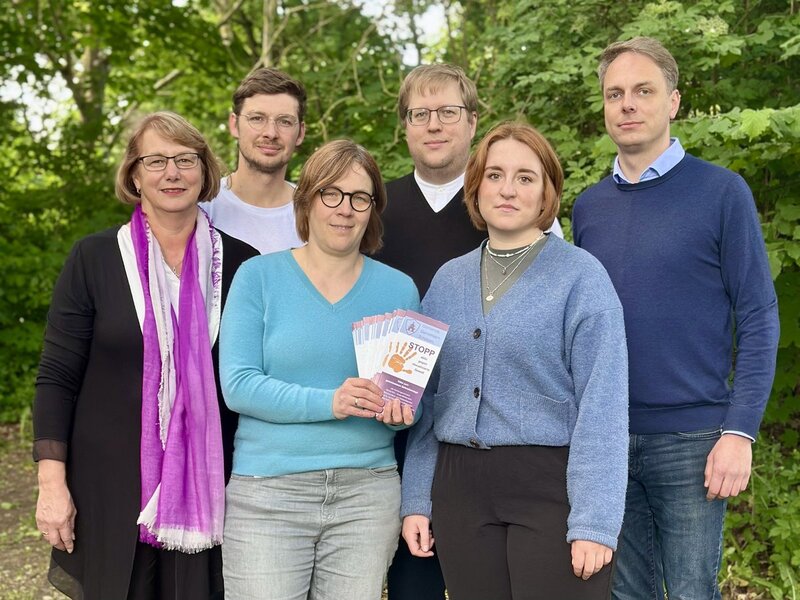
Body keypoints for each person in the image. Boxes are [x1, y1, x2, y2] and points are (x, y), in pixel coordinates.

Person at [572, 37, 780, 600]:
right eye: (615, 93)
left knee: (691, 591)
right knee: (625, 594)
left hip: (693, 441)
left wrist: (740, 431)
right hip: (607, 437)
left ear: (674, 101)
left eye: (643, 91)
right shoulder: (588, 208)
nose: (627, 104)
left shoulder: (721, 192)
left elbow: (759, 315)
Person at [33, 111, 259, 599]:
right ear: (134, 175)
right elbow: (56, 376)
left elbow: (255, 379)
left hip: (212, 485)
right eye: (156, 161)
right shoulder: (93, 258)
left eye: (185, 159)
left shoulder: (245, 264)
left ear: (205, 170)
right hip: (109, 484)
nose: (171, 173)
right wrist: (52, 484)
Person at [401, 121, 629, 600]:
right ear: (476, 185)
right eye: (495, 175)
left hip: (550, 487)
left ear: (547, 193)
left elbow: (603, 406)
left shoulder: (581, 277)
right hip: (459, 490)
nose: (507, 189)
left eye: (525, 178)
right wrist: (417, 497)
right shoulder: (447, 281)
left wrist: (595, 520)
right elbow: (427, 398)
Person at [379, 63, 565, 600]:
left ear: (472, 121)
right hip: (395, 431)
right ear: (405, 125)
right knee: (413, 582)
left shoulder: (511, 206)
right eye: (420, 114)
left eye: (448, 112)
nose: (434, 124)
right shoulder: (374, 207)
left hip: (496, 444)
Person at [219, 139, 421, 599]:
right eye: (331, 193)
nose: (344, 208)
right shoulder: (258, 277)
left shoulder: (399, 290)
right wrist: (332, 402)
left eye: (359, 197)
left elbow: (415, 402)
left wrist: (402, 413)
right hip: (269, 491)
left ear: (372, 209)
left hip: (366, 496)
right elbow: (238, 385)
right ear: (307, 200)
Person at [200, 67, 306, 254]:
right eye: (257, 118)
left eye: (285, 122)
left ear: (300, 133)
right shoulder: (202, 208)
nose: (271, 133)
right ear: (234, 125)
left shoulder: (317, 213)